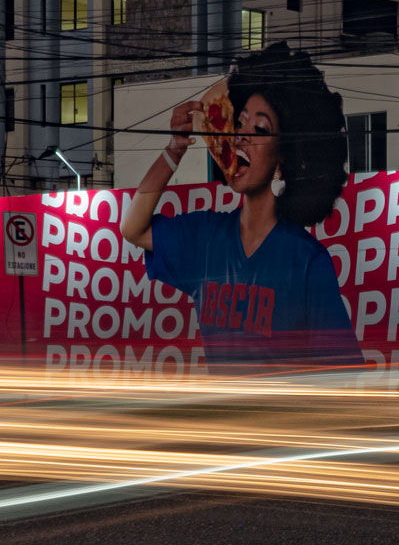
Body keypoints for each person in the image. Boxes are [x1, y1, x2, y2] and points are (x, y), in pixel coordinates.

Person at [122, 42, 360, 367]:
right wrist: (174, 149)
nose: (241, 137)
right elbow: (132, 228)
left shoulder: (307, 262)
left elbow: (342, 372)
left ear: (286, 157)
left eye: (259, 129)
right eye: (240, 122)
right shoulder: (206, 237)